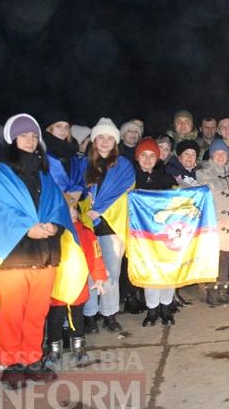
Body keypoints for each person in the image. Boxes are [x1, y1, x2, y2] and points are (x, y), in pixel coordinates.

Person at [0, 114, 73, 387]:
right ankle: (12, 362)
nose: (30, 140)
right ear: (11, 138)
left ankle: (31, 358)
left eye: (33, 135)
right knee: (11, 312)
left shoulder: (44, 175)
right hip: (13, 255)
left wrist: (55, 226)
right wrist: (25, 228)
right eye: (24, 134)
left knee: (37, 311)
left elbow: (58, 208)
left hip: (45, 254)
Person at [80, 118, 136, 334]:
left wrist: (100, 208)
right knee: (89, 272)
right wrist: (87, 209)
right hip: (88, 226)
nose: (104, 142)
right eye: (100, 137)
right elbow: (76, 194)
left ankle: (109, 313)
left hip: (112, 226)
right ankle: (90, 314)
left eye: (109, 137)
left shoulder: (123, 166)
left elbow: (124, 194)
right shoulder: (84, 165)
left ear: (115, 141)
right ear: (94, 141)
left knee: (112, 272)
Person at [45, 200, 107, 368]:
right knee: (55, 320)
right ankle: (54, 351)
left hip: (77, 285)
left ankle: (78, 350)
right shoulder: (50, 233)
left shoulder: (86, 234)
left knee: (76, 319)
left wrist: (99, 278)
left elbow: (95, 257)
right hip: (55, 287)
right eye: (67, 212)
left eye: (74, 212)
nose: (71, 216)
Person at [133, 138, 179, 326]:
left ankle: (166, 308)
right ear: (137, 157)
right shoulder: (131, 179)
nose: (147, 159)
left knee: (168, 269)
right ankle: (152, 310)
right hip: (142, 234)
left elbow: (179, 200)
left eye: (152, 155)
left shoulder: (166, 178)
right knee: (149, 270)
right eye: (143, 155)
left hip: (165, 233)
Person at [196, 139, 229, 306]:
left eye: (224, 153)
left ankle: (223, 290)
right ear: (212, 155)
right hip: (213, 223)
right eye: (217, 153)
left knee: (227, 256)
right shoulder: (203, 173)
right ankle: (211, 292)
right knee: (215, 258)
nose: (221, 156)